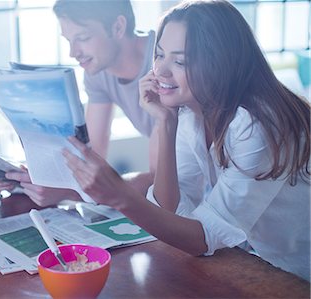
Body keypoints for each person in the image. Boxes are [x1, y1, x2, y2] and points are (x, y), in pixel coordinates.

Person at [63, 0, 310, 280]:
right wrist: (165, 124)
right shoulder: (191, 112)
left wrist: (122, 198)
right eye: (159, 55)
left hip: (301, 269)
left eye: (180, 61)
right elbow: (170, 209)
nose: (162, 71)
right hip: (267, 262)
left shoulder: (255, 125)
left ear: (220, 63)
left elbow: (202, 238)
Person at [0, 0, 158, 206]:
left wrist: (70, 192)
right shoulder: (98, 72)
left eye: (83, 38)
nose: (73, 52)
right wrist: (31, 180)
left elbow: (158, 181)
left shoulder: (165, 61)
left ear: (118, 27)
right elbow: (89, 155)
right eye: (69, 40)